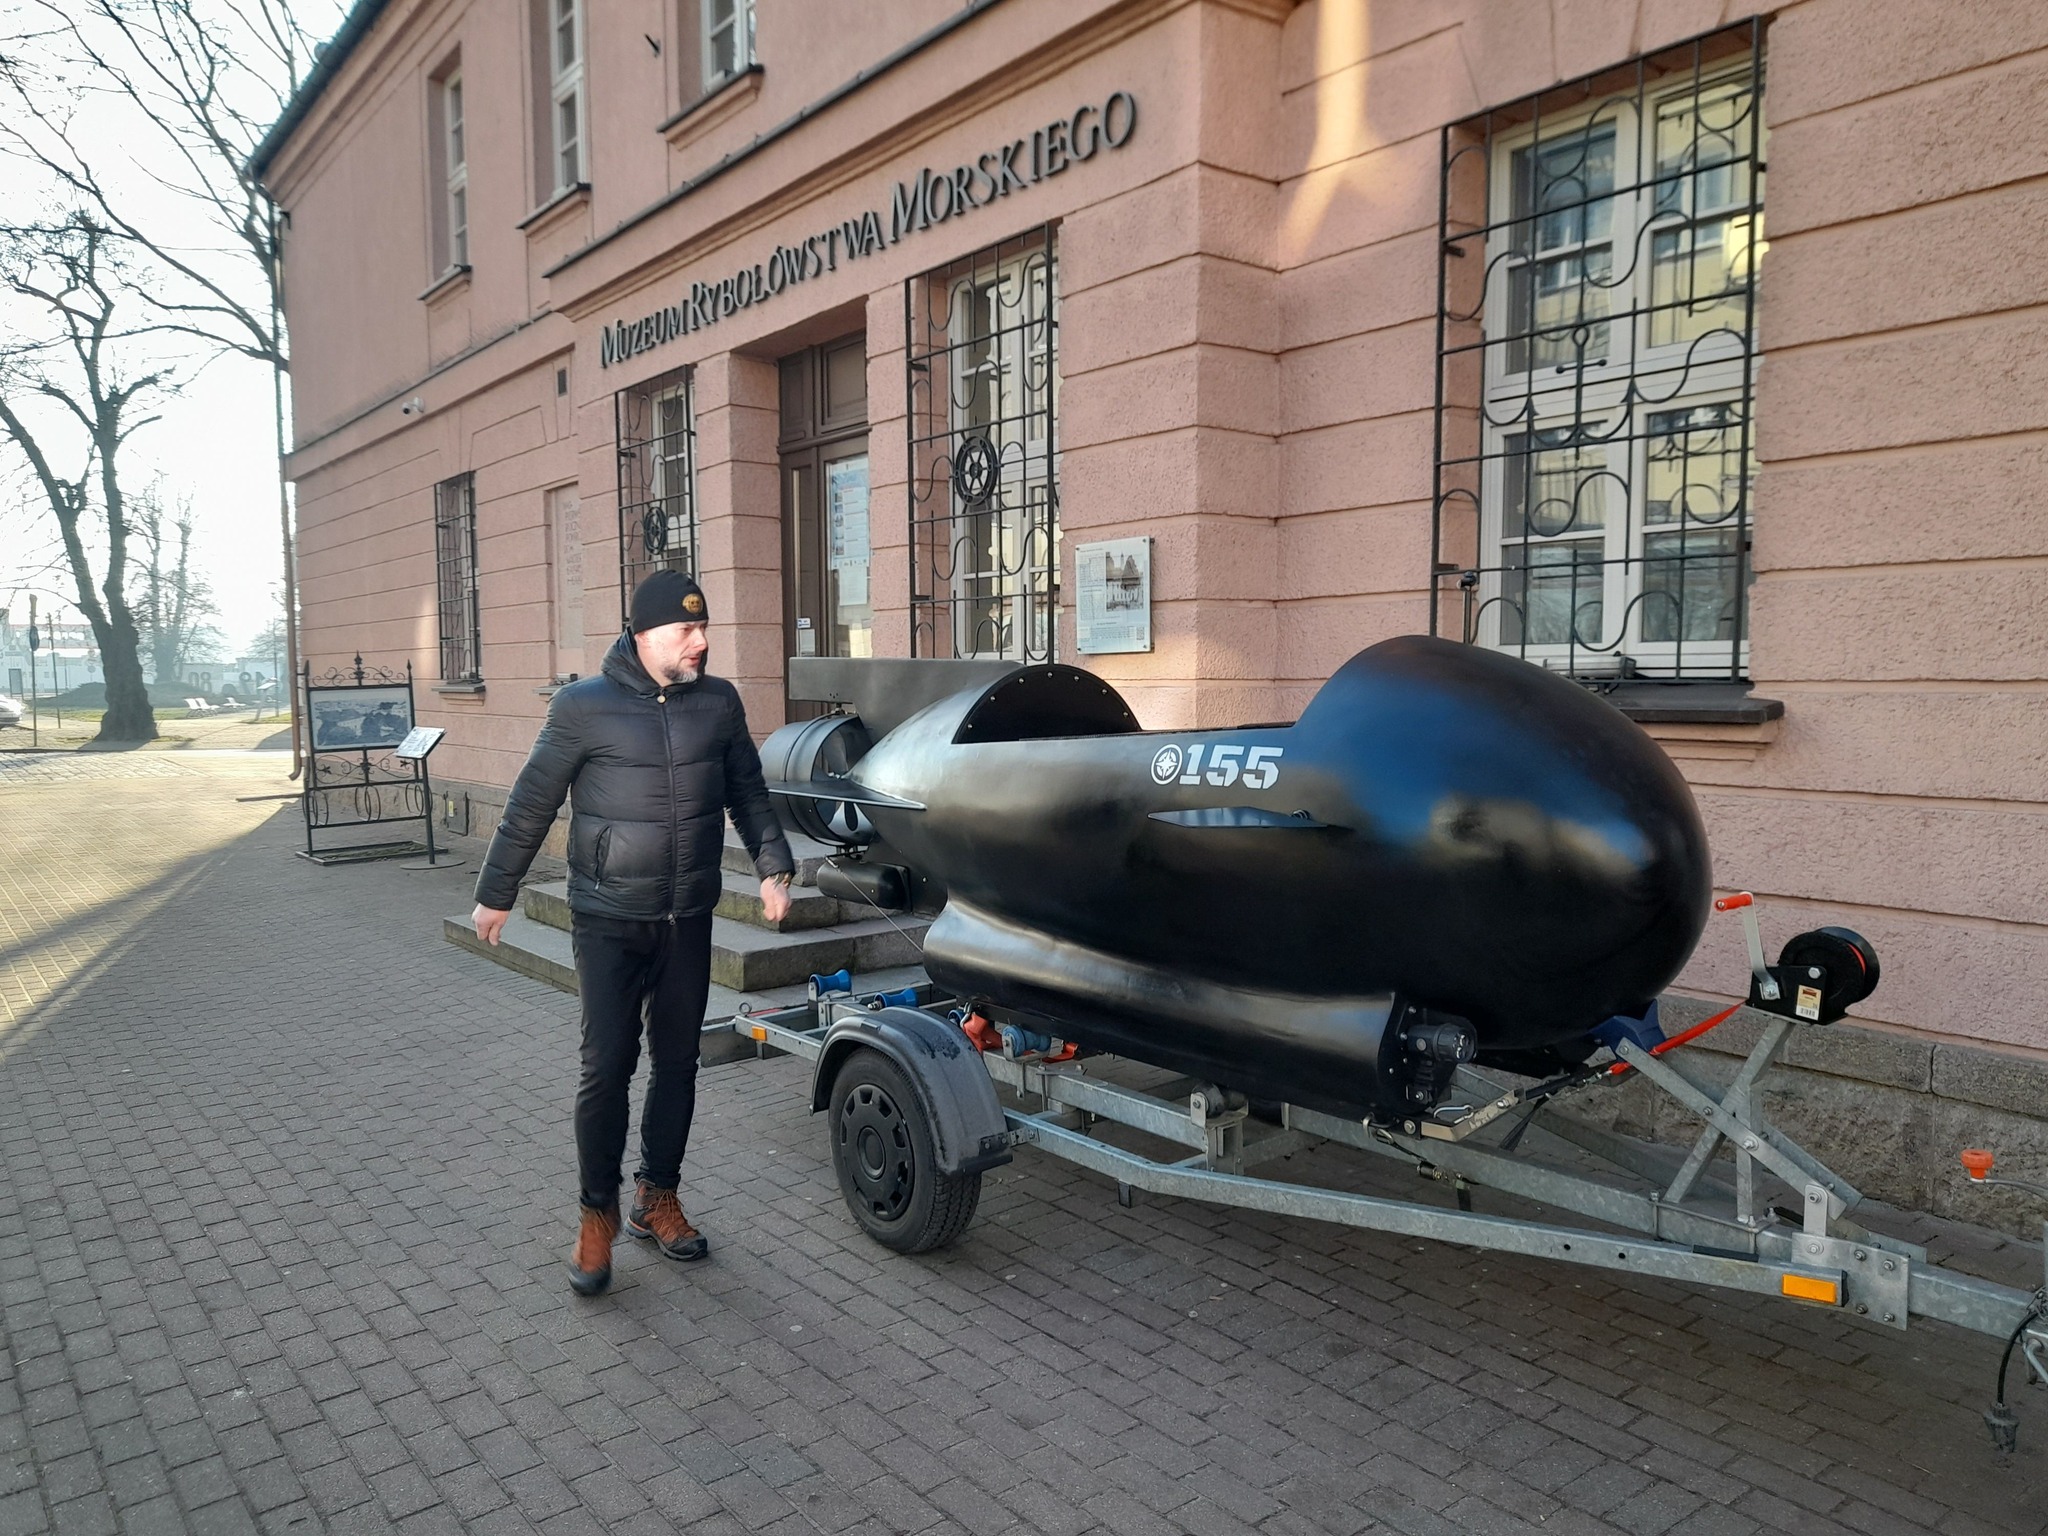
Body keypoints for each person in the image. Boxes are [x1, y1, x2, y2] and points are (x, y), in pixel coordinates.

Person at [471, 569, 794, 1295]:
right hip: (608, 919)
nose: (701, 641)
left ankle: (658, 1196)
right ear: (644, 635)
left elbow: (747, 790)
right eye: (686, 629)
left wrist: (774, 866)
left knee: (678, 1064)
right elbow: (531, 802)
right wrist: (496, 893)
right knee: (607, 1067)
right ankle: (597, 1214)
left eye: (703, 627)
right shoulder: (582, 707)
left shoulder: (718, 702)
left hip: (687, 916)